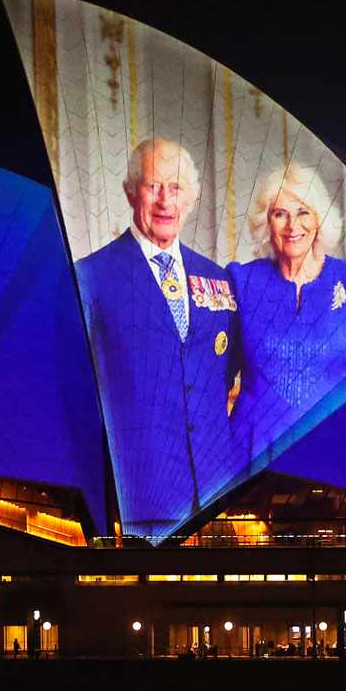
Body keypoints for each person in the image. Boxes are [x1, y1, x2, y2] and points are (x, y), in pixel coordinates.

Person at [75, 137, 243, 538]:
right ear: (131, 192)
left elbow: (227, 372)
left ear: (192, 197)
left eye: (176, 188)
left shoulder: (218, 279)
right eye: (153, 187)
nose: (165, 201)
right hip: (139, 498)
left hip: (217, 495)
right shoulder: (90, 277)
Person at [227, 163, 346, 469]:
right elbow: (218, 380)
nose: (292, 226)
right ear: (266, 222)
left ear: (319, 219)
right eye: (279, 213)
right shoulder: (240, 281)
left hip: (333, 457)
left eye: (303, 212)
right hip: (250, 461)